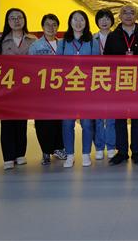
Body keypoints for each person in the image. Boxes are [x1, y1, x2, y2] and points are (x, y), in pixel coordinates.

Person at [104, 4, 138, 165]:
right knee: (120, 120)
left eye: (132, 13)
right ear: (120, 16)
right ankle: (122, 152)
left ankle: (136, 151)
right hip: (120, 84)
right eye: (125, 13)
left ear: (136, 16)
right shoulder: (113, 36)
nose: (129, 15)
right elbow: (106, 61)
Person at [0, 8, 36, 170]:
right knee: (7, 123)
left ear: (24, 20)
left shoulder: (33, 40)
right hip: (6, 89)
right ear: (7, 21)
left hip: (26, 89)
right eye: (12, 18)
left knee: (21, 122)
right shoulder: (1, 41)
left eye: (19, 17)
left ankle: (20, 154)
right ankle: (8, 157)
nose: (16, 21)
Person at [57, 10, 100, 168]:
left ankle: (86, 154)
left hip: (86, 89)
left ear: (86, 22)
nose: (78, 22)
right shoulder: (62, 42)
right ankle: (70, 155)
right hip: (68, 90)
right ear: (70, 22)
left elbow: (97, 66)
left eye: (81, 19)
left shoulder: (92, 42)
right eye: (75, 19)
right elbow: (57, 67)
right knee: (67, 123)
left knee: (87, 123)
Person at [28, 14, 67, 165]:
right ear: (42, 27)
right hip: (42, 90)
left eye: (54, 25)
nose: (51, 27)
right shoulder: (35, 46)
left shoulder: (63, 44)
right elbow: (30, 68)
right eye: (48, 25)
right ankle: (45, 151)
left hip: (61, 89)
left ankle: (59, 148)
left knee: (59, 120)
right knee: (43, 122)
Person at [93, 9, 117, 160]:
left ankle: (111, 146)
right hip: (96, 81)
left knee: (111, 117)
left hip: (113, 80)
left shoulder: (117, 37)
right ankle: (99, 147)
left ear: (112, 21)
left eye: (107, 18)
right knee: (98, 117)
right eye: (101, 18)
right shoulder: (91, 38)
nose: (104, 21)